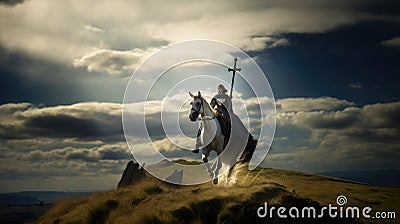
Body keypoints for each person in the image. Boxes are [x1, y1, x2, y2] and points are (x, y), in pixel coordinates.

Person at [192, 84, 232, 154]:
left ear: (223, 89)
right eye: (219, 89)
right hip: (216, 112)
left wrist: (228, 101)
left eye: (221, 88)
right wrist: (214, 110)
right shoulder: (216, 97)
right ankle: (197, 144)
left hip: (224, 112)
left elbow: (228, 106)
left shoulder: (226, 97)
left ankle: (227, 138)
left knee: (226, 122)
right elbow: (212, 105)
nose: (220, 90)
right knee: (202, 125)